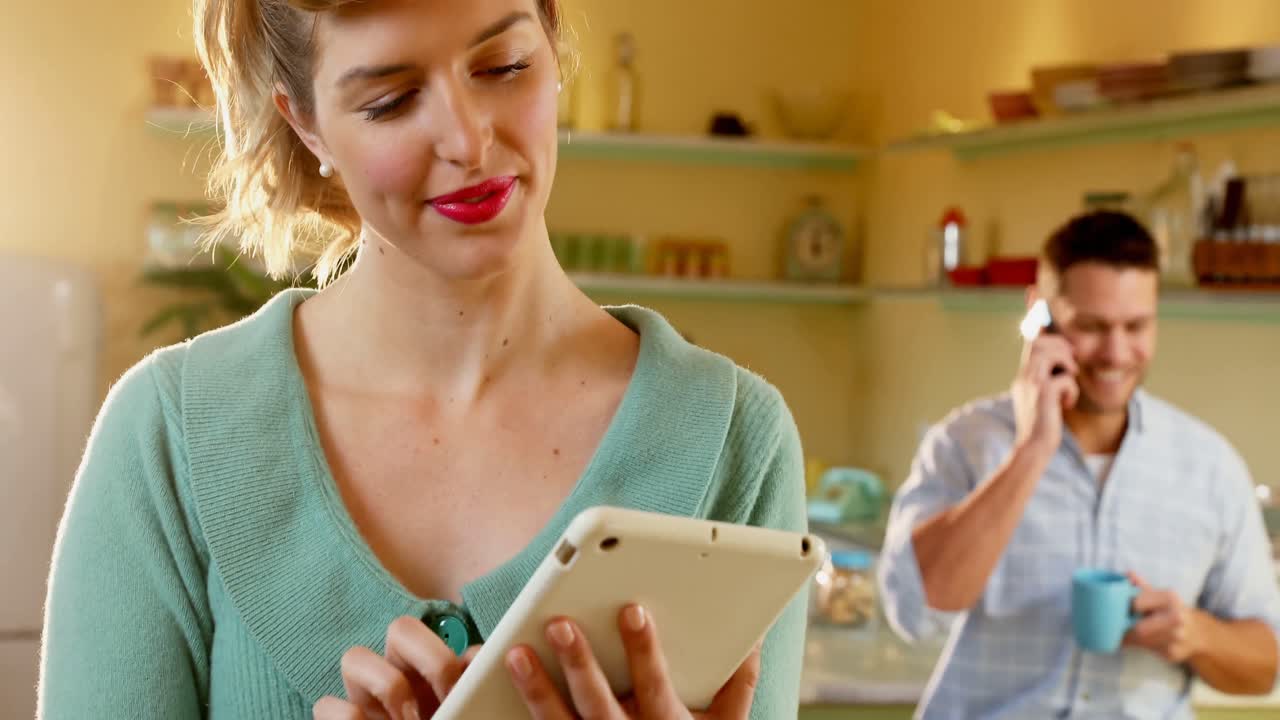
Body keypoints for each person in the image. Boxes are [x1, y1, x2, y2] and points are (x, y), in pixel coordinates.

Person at [38, 1, 808, 717]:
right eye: (390, 101)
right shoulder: (170, 440)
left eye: (504, 66)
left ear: (552, 37)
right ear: (304, 123)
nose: (469, 141)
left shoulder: (735, 442)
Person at [877, 210, 1280, 719]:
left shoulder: (1210, 468)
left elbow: (1266, 664)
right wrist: (1033, 450)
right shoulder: (965, 443)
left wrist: (1197, 634)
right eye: (1090, 326)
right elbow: (914, 610)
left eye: (1136, 326)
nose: (1115, 353)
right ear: (1039, 314)